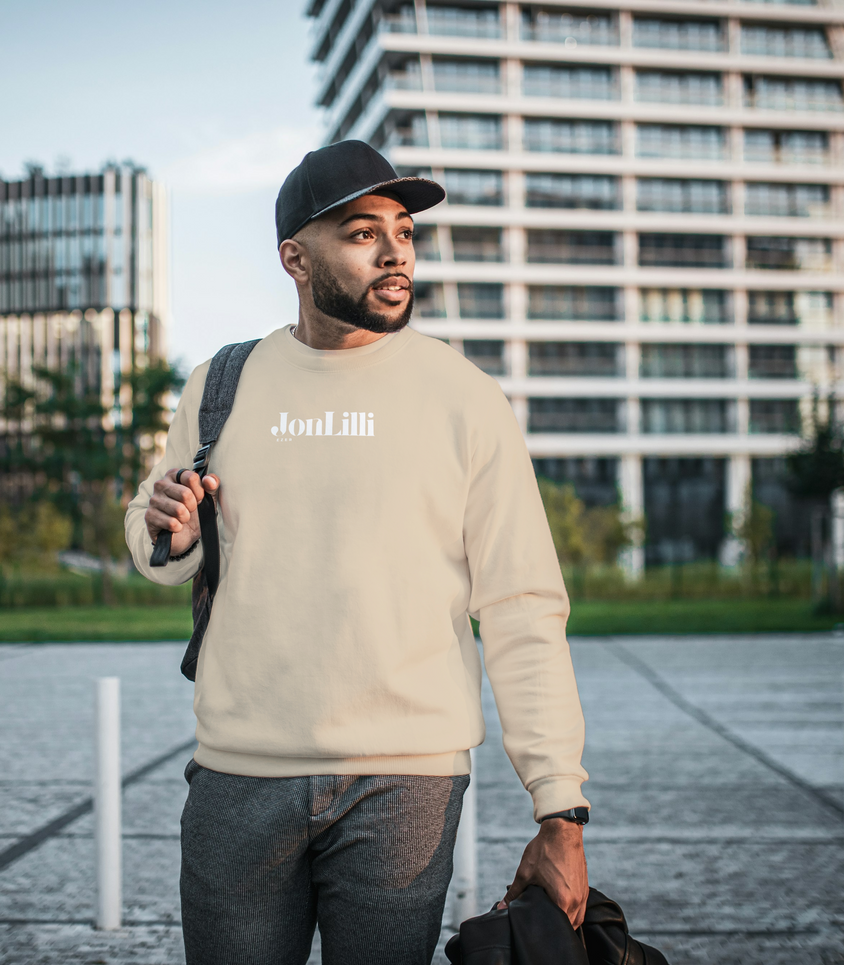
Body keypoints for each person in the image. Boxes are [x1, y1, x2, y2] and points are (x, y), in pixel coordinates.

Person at [124, 140, 590, 965]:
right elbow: (157, 536)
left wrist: (559, 808)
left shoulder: (464, 398)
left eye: (403, 231)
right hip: (239, 773)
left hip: (404, 783)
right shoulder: (221, 384)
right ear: (295, 259)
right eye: (362, 232)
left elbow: (521, 606)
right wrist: (170, 530)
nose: (395, 251)